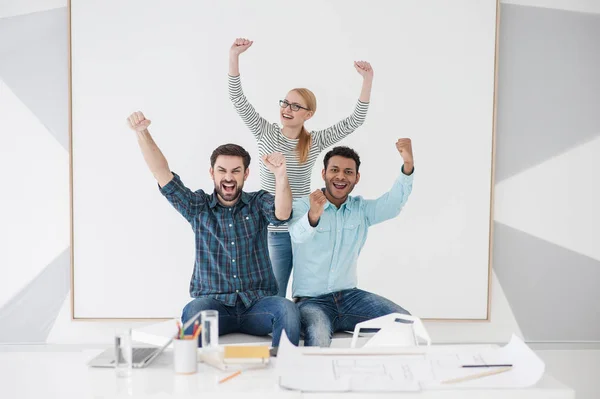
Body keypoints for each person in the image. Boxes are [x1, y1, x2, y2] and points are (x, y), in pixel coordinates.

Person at [126, 111, 300, 347]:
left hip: (257, 306)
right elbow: (162, 174)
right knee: (192, 311)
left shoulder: (258, 202)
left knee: (287, 309)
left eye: (236, 171)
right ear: (212, 173)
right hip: (214, 307)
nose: (229, 177)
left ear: (246, 174)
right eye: (222, 170)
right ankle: (197, 376)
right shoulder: (198, 207)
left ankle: (285, 369)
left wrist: (281, 175)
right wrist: (142, 133)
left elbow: (282, 214)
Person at [228, 37, 374, 297]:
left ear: (308, 114)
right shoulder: (265, 133)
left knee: (310, 294)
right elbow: (238, 99)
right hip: (274, 231)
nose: (287, 109)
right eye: (285, 103)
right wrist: (234, 56)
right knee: (274, 294)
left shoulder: (314, 142)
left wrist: (367, 81)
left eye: (296, 106)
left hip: (306, 228)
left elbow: (354, 121)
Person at [288, 140, 415, 347]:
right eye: (334, 170)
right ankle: (312, 379)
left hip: (350, 298)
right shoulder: (304, 205)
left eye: (348, 172)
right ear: (323, 174)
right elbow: (297, 236)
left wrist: (407, 165)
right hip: (311, 302)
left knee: (405, 322)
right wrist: (313, 215)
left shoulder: (360, 209)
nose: (340, 176)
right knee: (318, 335)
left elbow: (393, 204)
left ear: (356, 178)